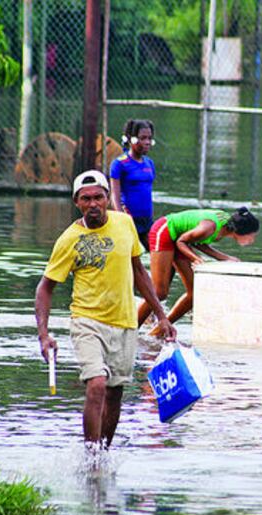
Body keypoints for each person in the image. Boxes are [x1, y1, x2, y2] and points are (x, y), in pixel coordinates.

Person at [35, 169, 176, 448]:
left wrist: (162, 316)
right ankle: (91, 456)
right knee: (97, 384)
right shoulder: (69, 239)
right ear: (77, 202)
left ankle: (104, 452)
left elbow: (139, 272)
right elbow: (44, 288)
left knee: (115, 394)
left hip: (124, 323)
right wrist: (43, 334)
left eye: (98, 197)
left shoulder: (125, 224)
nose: (93, 204)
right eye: (85, 199)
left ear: (107, 197)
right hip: (87, 321)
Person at [137, 207, 260, 332]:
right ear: (242, 231)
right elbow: (182, 242)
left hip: (181, 238)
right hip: (165, 231)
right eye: (252, 236)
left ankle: (157, 332)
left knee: (194, 293)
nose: (252, 241)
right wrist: (196, 259)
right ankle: (132, 328)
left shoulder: (224, 228)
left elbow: (197, 241)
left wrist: (224, 258)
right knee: (160, 292)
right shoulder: (210, 227)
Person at [109, 119, 157, 249]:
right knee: (131, 261)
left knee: (160, 254)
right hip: (128, 220)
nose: (147, 142)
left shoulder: (149, 163)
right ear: (131, 139)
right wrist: (121, 218)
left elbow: (147, 192)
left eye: (149, 138)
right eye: (142, 138)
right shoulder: (119, 164)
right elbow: (114, 195)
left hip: (146, 220)